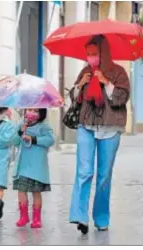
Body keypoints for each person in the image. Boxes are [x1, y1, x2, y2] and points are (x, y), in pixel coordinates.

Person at [68, 35, 130, 234]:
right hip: (86, 126)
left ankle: (101, 218)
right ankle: (80, 217)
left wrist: (106, 82)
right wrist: (80, 85)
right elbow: (74, 98)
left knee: (104, 176)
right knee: (84, 172)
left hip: (110, 128)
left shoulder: (119, 72)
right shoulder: (85, 71)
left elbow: (122, 98)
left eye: (94, 54)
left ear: (103, 53)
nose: (90, 58)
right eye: (88, 54)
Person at [12, 108, 55, 228]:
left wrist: (33, 139)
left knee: (36, 192)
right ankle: (23, 216)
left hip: (37, 165)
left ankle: (37, 219)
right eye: (29, 109)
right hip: (23, 165)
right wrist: (21, 132)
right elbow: (14, 141)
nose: (31, 112)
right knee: (21, 190)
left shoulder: (44, 126)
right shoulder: (21, 124)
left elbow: (50, 140)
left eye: (35, 110)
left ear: (41, 113)